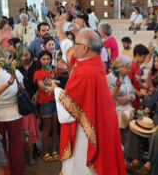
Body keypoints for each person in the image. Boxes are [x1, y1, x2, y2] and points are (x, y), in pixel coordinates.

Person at [50, 28, 126, 175]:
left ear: (85, 48)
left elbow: (68, 110)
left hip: (86, 130)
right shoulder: (93, 62)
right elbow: (68, 52)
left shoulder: (84, 72)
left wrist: (55, 89)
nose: (73, 46)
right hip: (100, 123)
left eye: (75, 43)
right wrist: (60, 28)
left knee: (80, 167)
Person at [0, 48, 26, 175]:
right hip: (14, 113)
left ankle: (5, 171)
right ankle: (18, 171)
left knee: (0, 146)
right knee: (16, 145)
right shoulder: (15, 73)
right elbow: (23, 89)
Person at [34, 50, 59, 162]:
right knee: (47, 128)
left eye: (48, 59)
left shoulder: (53, 70)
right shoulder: (38, 73)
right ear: (40, 60)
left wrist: (53, 80)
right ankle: (45, 152)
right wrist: (51, 83)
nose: (46, 61)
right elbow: (43, 88)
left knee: (55, 127)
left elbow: (57, 84)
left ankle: (54, 150)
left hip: (55, 101)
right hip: (45, 103)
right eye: (43, 59)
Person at [106, 55, 135, 153]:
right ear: (120, 66)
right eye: (128, 67)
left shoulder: (126, 78)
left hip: (127, 111)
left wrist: (128, 97)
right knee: (116, 138)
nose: (130, 70)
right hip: (115, 112)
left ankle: (125, 158)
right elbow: (109, 98)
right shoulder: (110, 78)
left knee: (126, 138)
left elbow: (133, 93)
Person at [128, 44, 150, 110]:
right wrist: (138, 93)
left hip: (136, 100)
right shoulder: (130, 67)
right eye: (143, 57)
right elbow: (127, 85)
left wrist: (144, 86)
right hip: (131, 101)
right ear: (137, 55)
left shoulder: (138, 67)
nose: (145, 59)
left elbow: (137, 81)